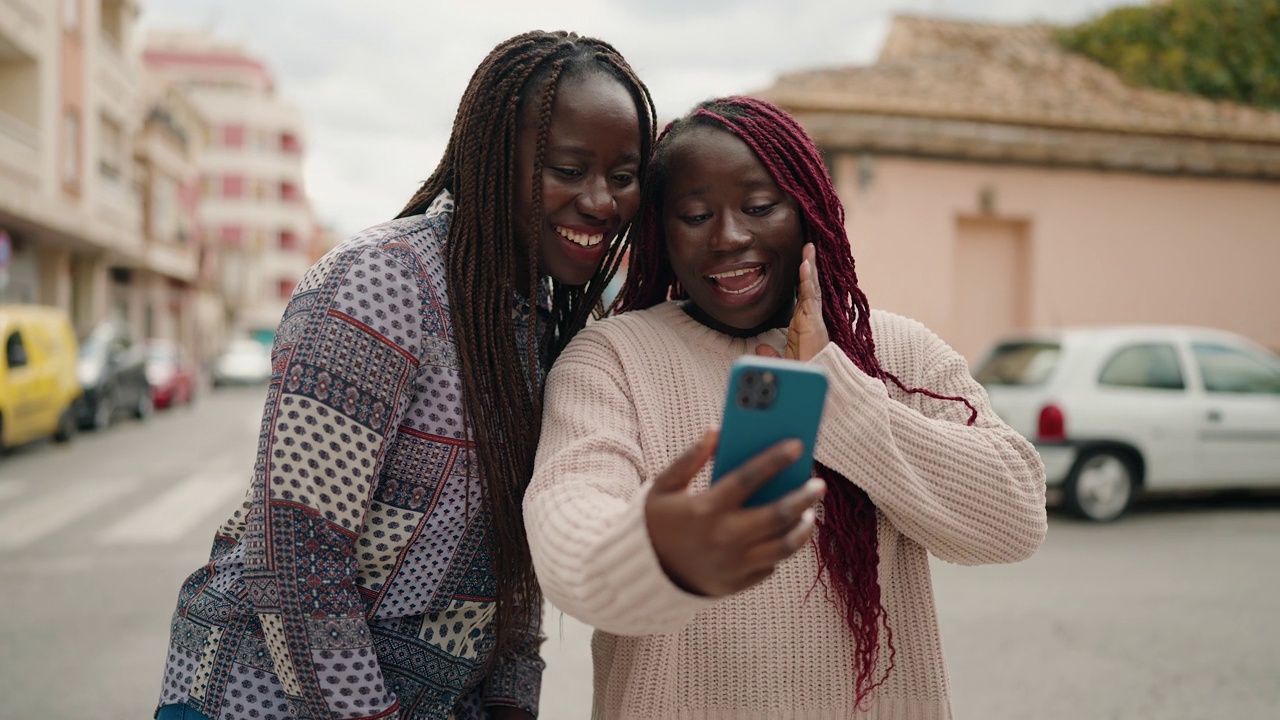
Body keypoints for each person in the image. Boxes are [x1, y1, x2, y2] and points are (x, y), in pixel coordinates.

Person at [153, 31, 655, 720]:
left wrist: (512, 703)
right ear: (492, 161)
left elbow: (514, 568)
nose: (601, 202)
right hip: (260, 697)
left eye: (622, 177)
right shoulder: (381, 284)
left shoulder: (544, 322)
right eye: (567, 168)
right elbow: (296, 561)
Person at [524, 96, 1048, 719]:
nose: (730, 236)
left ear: (809, 212)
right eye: (695, 215)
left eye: (759, 207)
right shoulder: (613, 357)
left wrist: (835, 390)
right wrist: (657, 550)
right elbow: (565, 518)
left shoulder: (899, 351)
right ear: (661, 234)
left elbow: (1014, 518)